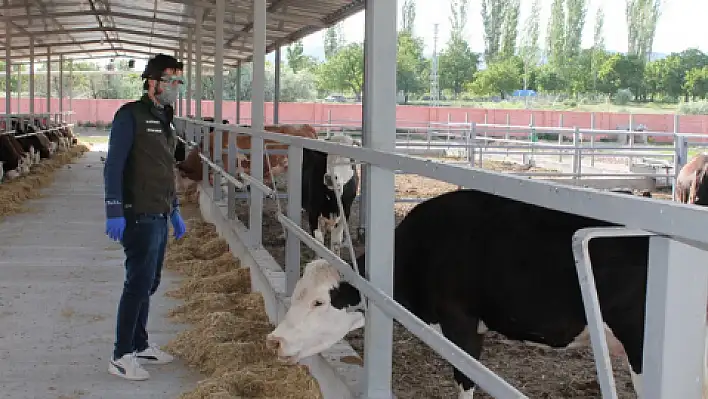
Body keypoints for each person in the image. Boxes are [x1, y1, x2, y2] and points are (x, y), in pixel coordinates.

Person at [103, 53, 187, 381]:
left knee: (150, 282)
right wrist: (113, 209)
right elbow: (114, 166)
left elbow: (165, 168)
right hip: (137, 213)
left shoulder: (165, 118)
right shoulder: (131, 116)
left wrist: (176, 208)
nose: (174, 87)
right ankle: (121, 354)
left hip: (160, 211)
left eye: (178, 81)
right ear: (151, 82)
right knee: (137, 283)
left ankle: (139, 344)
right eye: (169, 80)